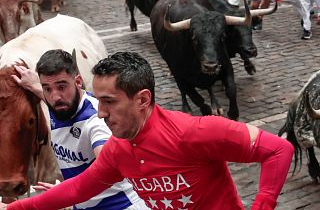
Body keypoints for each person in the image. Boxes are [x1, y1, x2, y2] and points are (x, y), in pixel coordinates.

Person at [2, 51, 294, 210]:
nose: (100, 113)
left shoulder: (196, 131)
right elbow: (78, 188)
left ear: (142, 99)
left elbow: (279, 150)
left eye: (109, 102)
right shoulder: (118, 149)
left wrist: (263, 205)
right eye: (98, 101)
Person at [8, 50, 149, 210]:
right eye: (47, 88)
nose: (55, 97)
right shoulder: (61, 105)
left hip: (119, 205)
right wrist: (33, 84)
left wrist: (65, 191)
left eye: (62, 86)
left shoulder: (96, 121)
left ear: (79, 82)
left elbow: (108, 165)